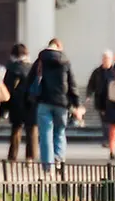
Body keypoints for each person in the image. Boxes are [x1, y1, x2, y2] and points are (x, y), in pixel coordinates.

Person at [24, 39, 79, 171]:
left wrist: (29, 98)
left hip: (44, 102)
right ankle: (58, 158)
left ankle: (48, 166)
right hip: (61, 103)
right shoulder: (65, 61)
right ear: (59, 47)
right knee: (59, 132)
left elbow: (29, 80)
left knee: (45, 134)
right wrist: (75, 102)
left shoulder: (40, 60)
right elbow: (72, 83)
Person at [2, 44, 37, 162]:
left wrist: (4, 108)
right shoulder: (33, 68)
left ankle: (12, 157)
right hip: (31, 102)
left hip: (16, 103)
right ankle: (30, 158)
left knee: (16, 130)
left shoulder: (11, 69)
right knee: (31, 130)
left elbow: (6, 89)